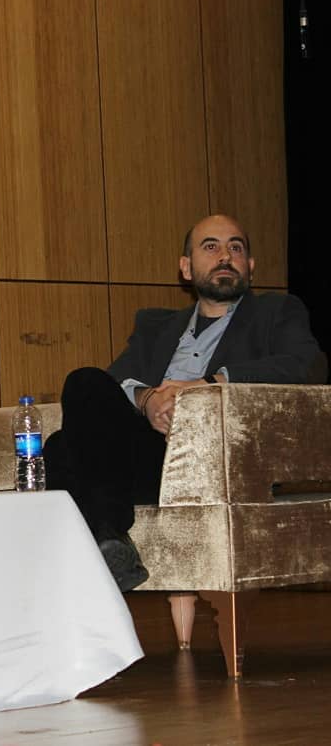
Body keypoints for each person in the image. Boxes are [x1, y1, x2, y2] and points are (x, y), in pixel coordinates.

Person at [46, 214, 325, 591]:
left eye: (236, 248)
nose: (225, 255)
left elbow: (305, 364)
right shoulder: (156, 326)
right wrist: (147, 401)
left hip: (212, 461)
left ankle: (102, 540)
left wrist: (204, 386)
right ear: (186, 268)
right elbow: (116, 379)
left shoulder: (276, 313)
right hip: (146, 458)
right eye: (210, 247)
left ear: (251, 267)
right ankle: (109, 539)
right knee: (81, 386)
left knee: (62, 450)